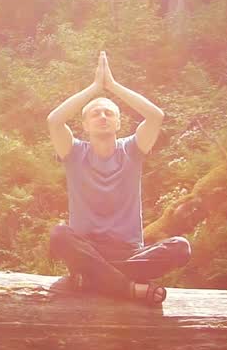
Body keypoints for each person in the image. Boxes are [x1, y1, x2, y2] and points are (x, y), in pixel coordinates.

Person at [47, 52, 190, 306]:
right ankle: (127, 288)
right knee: (59, 235)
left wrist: (112, 86)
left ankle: (94, 280)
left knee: (181, 247)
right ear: (85, 125)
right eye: (95, 114)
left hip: (128, 252)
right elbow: (54, 120)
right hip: (87, 250)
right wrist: (94, 88)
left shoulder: (132, 151)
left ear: (118, 123)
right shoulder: (74, 153)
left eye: (109, 113)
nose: (103, 116)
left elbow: (155, 116)